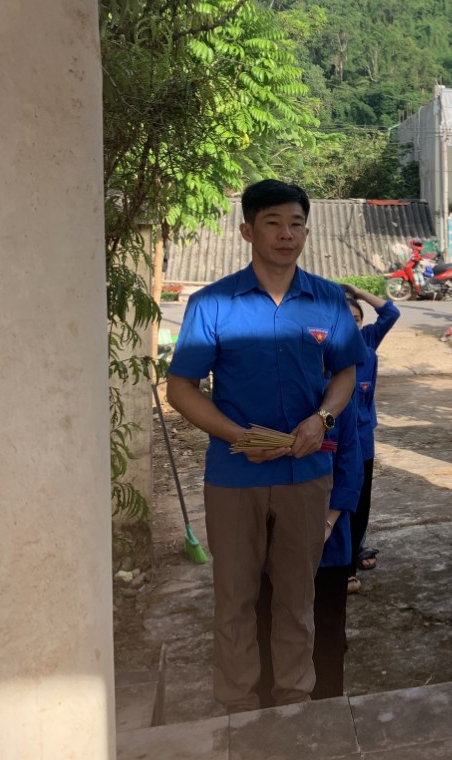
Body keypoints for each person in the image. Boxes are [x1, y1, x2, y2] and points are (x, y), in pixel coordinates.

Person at [166, 179, 366, 713]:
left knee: (298, 598)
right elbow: (181, 388)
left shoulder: (327, 299)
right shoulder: (213, 304)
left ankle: (294, 701)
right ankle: (236, 706)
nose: (286, 234)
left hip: (306, 474)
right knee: (235, 598)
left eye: (296, 223)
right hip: (236, 475)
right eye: (273, 223)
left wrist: (322, 419)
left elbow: (345, 372)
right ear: (247, 231)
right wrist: (239, 437)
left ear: (306, 232)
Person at [255, 401, 362, 704]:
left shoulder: (337, 396)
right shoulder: (261, 392)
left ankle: (326, 716)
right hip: (269, 545)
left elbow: (350, 462)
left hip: (326, 547)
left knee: (324, 639)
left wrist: (326, 524)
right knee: (269, 633)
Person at [341, 284, 401, 592]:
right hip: (331, 441)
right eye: (345, 318)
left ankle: (351, 559)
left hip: (362, 439)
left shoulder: (367, 343)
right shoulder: (322, 349)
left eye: (356, 319)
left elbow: (391, 312)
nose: (352, 324)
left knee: (360, 501)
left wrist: (358, 292)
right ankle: (338, 562)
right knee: (335, 502)